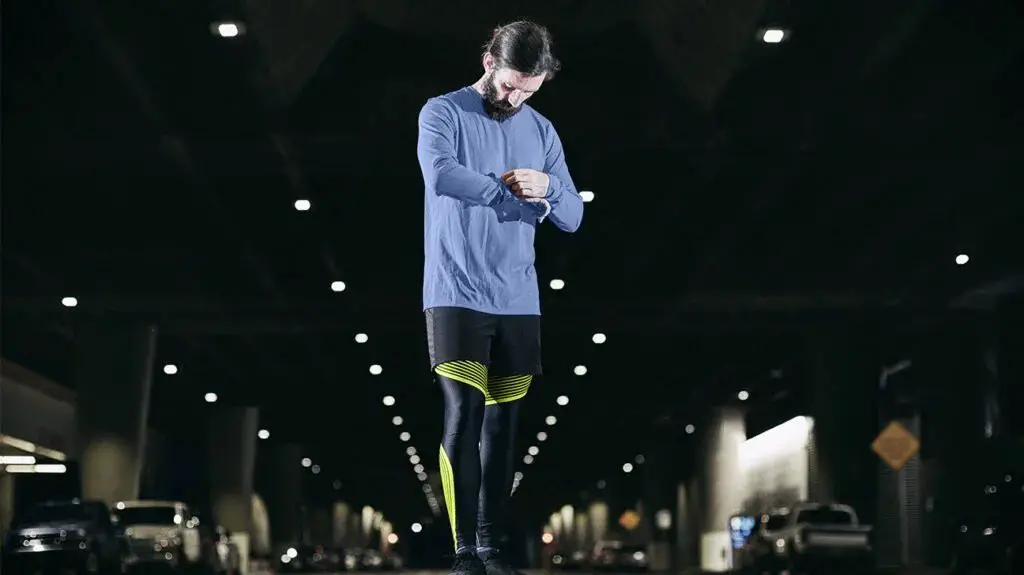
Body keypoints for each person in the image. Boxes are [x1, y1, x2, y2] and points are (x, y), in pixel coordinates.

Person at [416, 20, 585, 575]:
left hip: (518, 297)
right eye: (510, 84)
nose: (515, 98)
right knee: (461, 415)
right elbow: (440, 175)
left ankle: (491, 547)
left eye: (529, 90)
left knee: (503, 428)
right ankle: (464, 550)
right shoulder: (442, 112)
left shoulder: (543, 130)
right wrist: (507, 192)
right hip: (455, 289)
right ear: (489, 60)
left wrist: (551, 189)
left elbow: (573, 217)